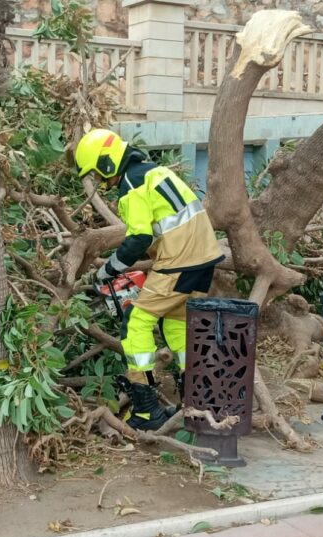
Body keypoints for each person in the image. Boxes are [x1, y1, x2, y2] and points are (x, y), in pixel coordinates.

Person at [74, 128, 225, 431]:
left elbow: (139, 238)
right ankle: (194, 404)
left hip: (180, 261)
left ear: (106, 162)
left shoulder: (131, 184)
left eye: (99, 174)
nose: (103, 182)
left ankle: (146, 410)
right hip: (203, 257)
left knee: (135, 322)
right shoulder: (153, 172)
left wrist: (108, 270)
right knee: (175, 323)